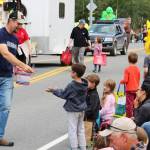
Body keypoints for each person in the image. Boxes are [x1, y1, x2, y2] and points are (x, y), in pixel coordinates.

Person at [0, 11, 33, 146]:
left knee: (6, 107)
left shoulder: (15, 39)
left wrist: (22, 71)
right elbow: (5, 53)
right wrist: (22, 65)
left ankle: (0, 136)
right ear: (11, 21)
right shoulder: (1, 33)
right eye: (18, 24)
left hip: (7, 77)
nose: (20, 27)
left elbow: (15, 58)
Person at [46, 64, 87, 150]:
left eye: (71, 71)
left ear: (75, 73)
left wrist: (54, 90)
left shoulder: (72, 85)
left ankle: (74, 147)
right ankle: (83, 147)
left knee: (72, 129)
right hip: (82, 109)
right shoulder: (84, 83)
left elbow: (64, 94)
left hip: (73, 109)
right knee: (81, 129)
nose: (70, 73)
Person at [120, 52, 140, 118]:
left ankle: (128, 117)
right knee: (135, 103)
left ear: (128, 60)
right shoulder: (137, 69)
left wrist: (121, 81)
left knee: (129, 104)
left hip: (129, 90)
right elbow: (138, 79)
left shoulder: (127, 69)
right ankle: (135, 116)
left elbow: (125, 80)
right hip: (136, 89)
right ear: (136, 60)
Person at [84, 74, 100, 143]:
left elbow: (92, 108)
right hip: (88, 115)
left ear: (93, 84)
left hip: (90, 116)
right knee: (86, 129)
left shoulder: (94, 95)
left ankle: (88, 144)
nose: (86, 83)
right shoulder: (89, 90)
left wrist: (85, 114)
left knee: (88, 131)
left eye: (88, 82)